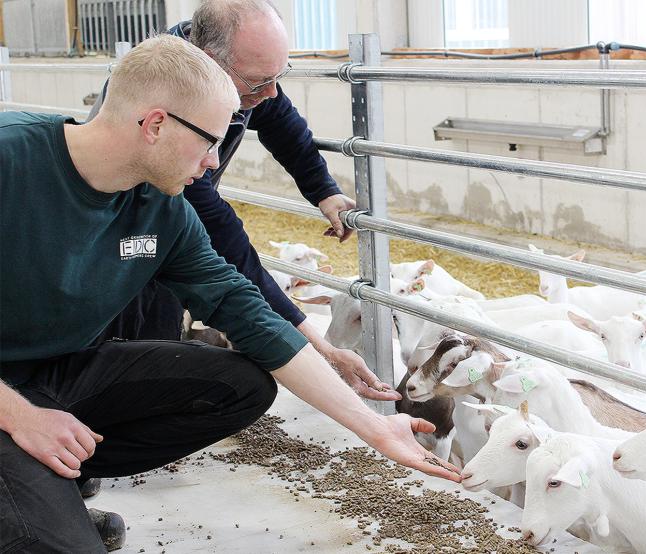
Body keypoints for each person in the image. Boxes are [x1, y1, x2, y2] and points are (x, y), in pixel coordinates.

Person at [0, 35, 459, 553]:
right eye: (209, 141)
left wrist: (374, 430)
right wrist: (23, 420)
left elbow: (247, 313)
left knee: (243, 385)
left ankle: (41, 482)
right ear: (155, 125)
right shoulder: (10, 161)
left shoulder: (163, 210)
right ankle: (31, 489)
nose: (215, 162)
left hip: (54, 375)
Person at [87, 0, 397, 404]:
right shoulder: (167, 92)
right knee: (130, 340)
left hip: (165, 226)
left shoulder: (232, 66)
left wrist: (323, 189)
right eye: (257, 82)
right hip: (123, 232)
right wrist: (315, 345)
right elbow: (225, 240)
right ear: (211, 62)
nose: (270, 92)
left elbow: (282, 123)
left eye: (277, 77)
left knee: (163, 329)